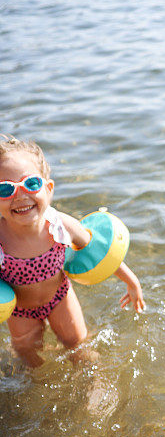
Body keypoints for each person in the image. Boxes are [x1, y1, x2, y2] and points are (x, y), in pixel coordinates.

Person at [0, 135, 145, 367]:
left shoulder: (60, 225)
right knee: (28, 358)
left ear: (48, 189)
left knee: (80, 348)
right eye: (5, 189)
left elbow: (99, 253)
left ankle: (94, 387)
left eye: (32, 184)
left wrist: (131, 281)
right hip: (20, 310)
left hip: (60, 299)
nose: (21, 195)